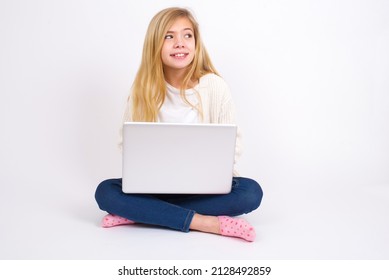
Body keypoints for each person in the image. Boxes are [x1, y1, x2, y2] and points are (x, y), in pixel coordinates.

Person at [95, 7, 263, 242]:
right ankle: (205, 222)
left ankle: (142, 212)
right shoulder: (142, 91)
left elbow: (232, 144)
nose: (180, 43)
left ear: (196, 42)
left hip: (205, 189)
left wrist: (216, 176)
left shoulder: (215, 86)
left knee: (251, 193)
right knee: (105, 192)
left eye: (187, 35)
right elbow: (128, 145)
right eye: (169, 36)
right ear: (155, 45)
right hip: (153, 187)